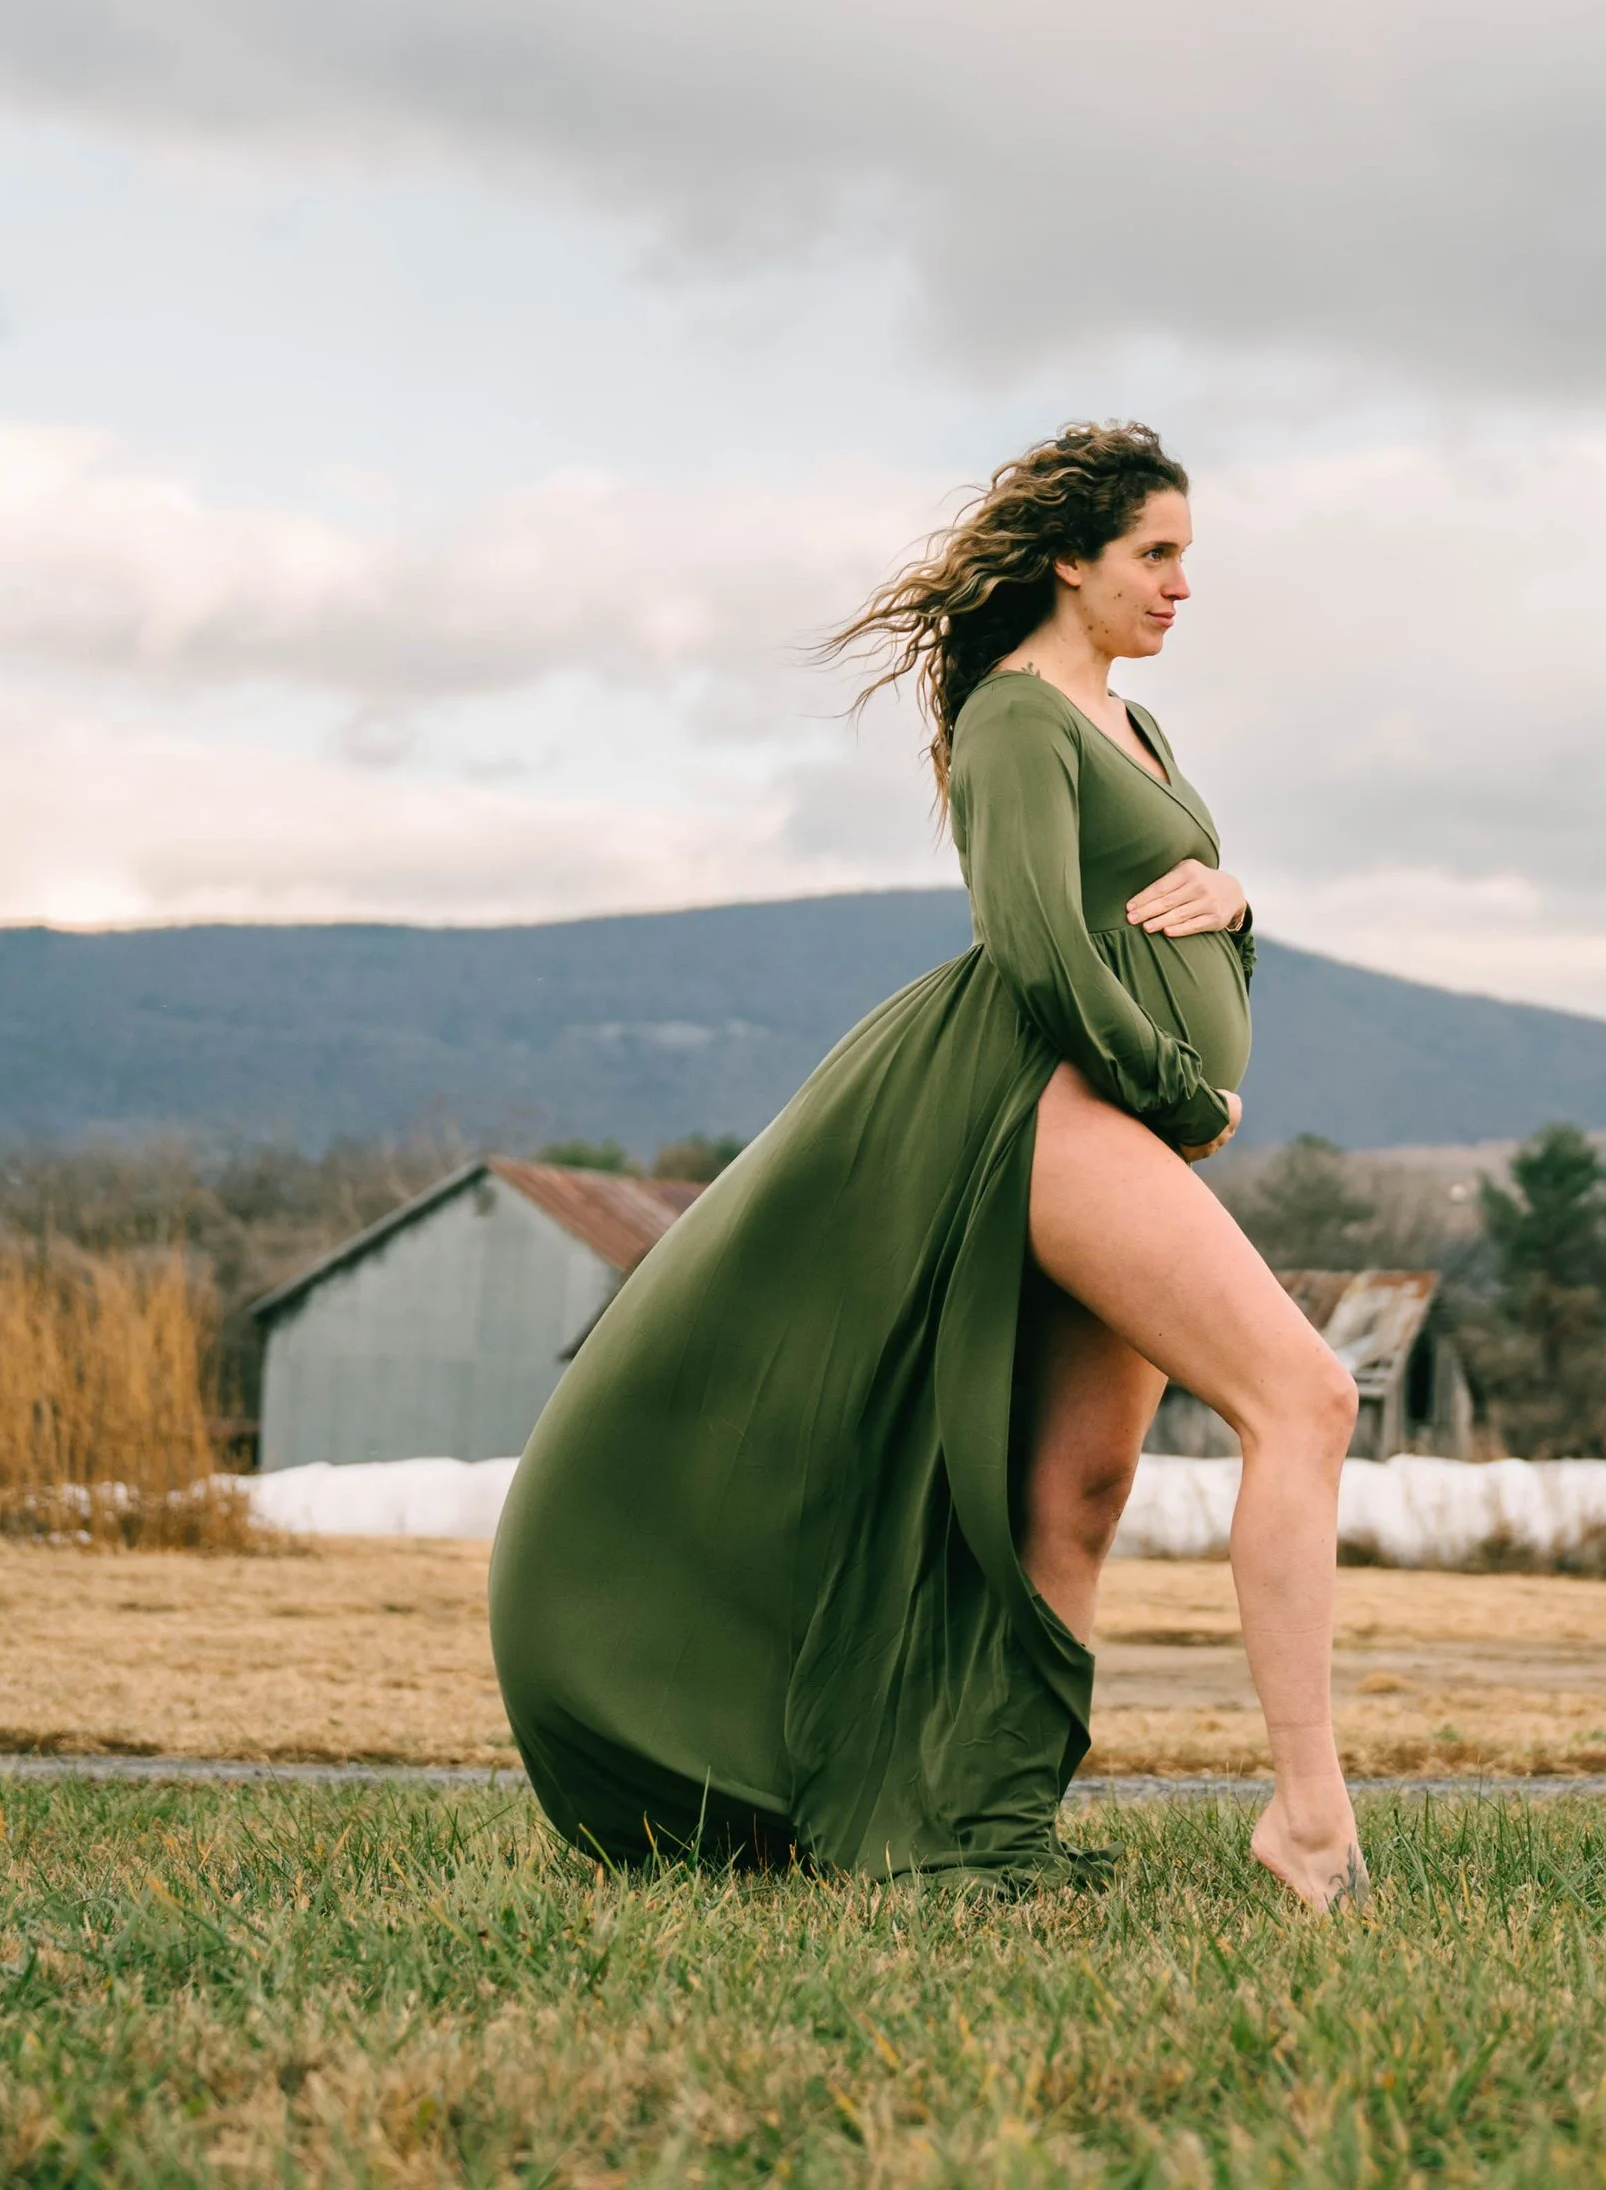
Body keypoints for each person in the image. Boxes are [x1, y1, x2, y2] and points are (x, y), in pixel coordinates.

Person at [488, 419, 1366, 1908]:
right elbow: (1031, 944)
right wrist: (1172, 1082)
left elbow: (1155, 912)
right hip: (1045, 1102)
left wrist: (1236, 909)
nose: (1180, 586)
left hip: (1120, 1114)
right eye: (1156, 554)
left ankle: (987, 1819)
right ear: (1069, 560)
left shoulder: (1134, 726)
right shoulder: (1024, 719)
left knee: (1077, 1484)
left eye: (1186, 558)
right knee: (1308, 1393)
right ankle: (1310, 1816)